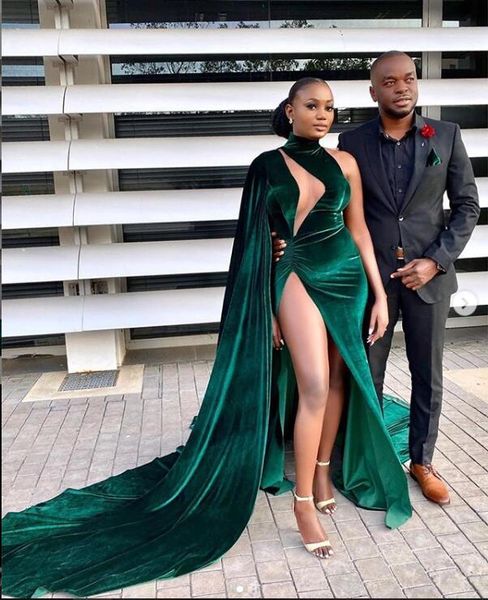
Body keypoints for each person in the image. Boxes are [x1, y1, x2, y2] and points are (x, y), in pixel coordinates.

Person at [2, 77, 412, 599]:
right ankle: (303, 501)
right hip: (295, 274)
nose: (323, 114)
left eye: (330, 107)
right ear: (289, 111)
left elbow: (359, 231)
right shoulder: (265, 166)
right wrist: (266, 310)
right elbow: (254, 243)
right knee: (312, 384)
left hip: (347, 277)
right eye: (312, 105)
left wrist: (379, 294)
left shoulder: (346, 163)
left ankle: (324, 471)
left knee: (337, 380)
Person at [274, 52, 480, 506]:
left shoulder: (446, 135)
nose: (402, 87)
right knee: (365, 374)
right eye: (390, 81)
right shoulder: (351, 143)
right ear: (373, 91)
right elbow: (331, 209)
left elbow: (468, 206)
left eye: (409, 79)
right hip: (369, 283)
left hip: (429, 280)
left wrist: (436, 260)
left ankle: (422, 462)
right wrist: (281, 238)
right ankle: (364, 460)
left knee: (428, 374)